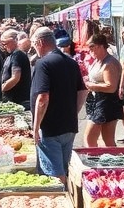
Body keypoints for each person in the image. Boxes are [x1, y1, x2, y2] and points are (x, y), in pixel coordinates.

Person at [30, 27, 85, 183]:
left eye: (34, 43)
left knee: (54, 174)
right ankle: (67, 196)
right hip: (69, 124)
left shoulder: (43, 63)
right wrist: (74, 111)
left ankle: (62, 201)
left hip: (50, 127)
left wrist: (36, 127)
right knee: (63, 168)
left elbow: (42, 97)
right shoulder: (70, 61)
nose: (34, 46)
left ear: (40, 42)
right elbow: (83, 91)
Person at [82, 33, 123, 148]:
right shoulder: (98, 60)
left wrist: (91, 85)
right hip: (98, 101)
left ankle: (100, 161)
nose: (90, 50)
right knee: (106, 140)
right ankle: (108, 161)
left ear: (100, 46)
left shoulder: (109, 63)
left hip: (107, 102)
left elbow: (111, 87)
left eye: (92, 46)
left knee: (92, 138)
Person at [0, 29, 32, 110]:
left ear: (13, 41)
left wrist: (2, 88)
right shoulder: (13, 55)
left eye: (5, 43)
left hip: (18, 101)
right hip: (15, 100)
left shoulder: (17, 55)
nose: (3, 46)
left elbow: (15, 78)